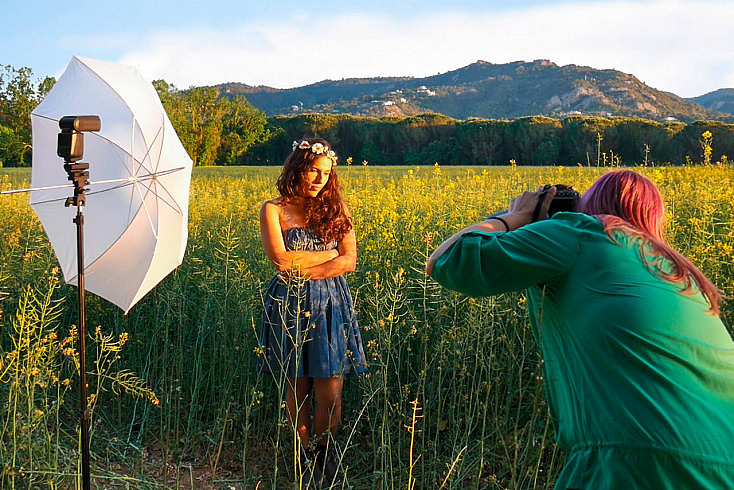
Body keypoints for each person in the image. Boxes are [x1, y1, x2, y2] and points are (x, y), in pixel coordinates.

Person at [426, 170, 734, 489]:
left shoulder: (584, 230)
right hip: (725, 459)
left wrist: (513, 216)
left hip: (637, 456)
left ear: (589, 207)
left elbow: (450, 260)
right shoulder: (678, 273)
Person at [258, 138, 367, 487]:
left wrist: (306, 262)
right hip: (288, 302)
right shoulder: (273, 209)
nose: (320, 179)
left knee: (330, 390)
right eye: (313, 171)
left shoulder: (338, 209)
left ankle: (325, 452)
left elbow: (349, 261)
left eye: (326, 173)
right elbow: (281, 262)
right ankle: (303, 457)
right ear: (297, 168)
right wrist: (329, 254)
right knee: (297, 384)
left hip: (331, 302)